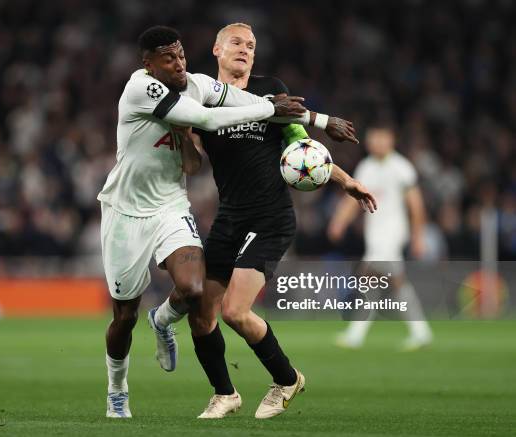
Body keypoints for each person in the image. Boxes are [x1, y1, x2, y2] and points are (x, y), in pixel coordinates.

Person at [151, 23, 377, 419]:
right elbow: (191, 164)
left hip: (271, 216)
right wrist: (186, 133)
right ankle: (224, 394)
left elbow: (299, 144)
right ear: (217, 49)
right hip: (230, 217)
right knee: (202, 312)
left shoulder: (269, 88)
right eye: (237, 43)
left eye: (251, 46)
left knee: (235, 312)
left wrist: (345, 181)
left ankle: (287, 379)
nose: (245, 50)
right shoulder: (201, 98)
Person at [99, 25, 309, 419]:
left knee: (197, 293)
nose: (179, 64)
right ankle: (117, 388)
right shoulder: (140, 89)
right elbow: (210, 120)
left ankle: (167, 325)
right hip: (124, 211)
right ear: (148, 65)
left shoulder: (197, 85)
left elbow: (200, 155)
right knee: (123, 317)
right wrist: (267, 110)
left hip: (170, 205)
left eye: (181, 55)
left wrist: (320, 119)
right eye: (169, 59)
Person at [328, 123, 433, 350]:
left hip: (393, 233)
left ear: (391, 140)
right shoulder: (366, 167)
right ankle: (420, 331)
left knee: (369, 277)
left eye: (381, 138)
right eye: (373, 139)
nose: (376, 143)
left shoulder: (401, 168)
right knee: (390, 283)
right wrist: (339, 221)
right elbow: (353, 197)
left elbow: (415, 205)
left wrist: (418, 236)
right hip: (375, 234)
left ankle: (356, 334)